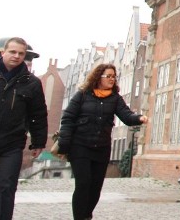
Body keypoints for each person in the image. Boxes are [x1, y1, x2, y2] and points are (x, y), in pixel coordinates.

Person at [57, 63, 148, 220]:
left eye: (114, 76)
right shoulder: (83, 95)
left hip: (101, 148)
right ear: (98, 77)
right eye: (108, 76)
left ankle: (87, 215)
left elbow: (126, 116)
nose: (112, 79)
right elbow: (68, 118)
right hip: (80, 146)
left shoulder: (115, 99)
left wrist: (138, 118)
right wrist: (64, 143)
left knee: (95, 188)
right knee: (83, 184)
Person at [0, 37, 48, 220]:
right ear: (4, 52)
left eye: (21, 53)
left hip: (12, 143)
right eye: (13, 52)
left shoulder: (31, 82)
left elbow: (38, 114)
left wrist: (38, 142)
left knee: (6, 186)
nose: (17, 56)